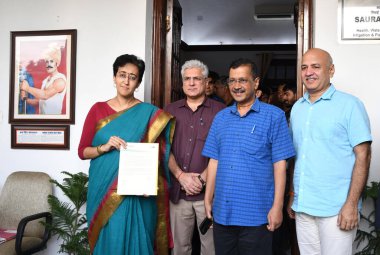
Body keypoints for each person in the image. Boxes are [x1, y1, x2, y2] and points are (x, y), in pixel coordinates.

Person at [78, 54, 175, 255]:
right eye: (122, 75)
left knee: (137, 241)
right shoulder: (97, 110)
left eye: (133, 77)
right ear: (114, 77)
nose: (126, 81)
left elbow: (160, 153)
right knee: (109, 240)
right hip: (103, 189)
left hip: (138, 192)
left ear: (138, 83)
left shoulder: (148, 113)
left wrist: (150, 180)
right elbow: (82, 151)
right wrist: (103, 147)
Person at [203, 58, 295, 255]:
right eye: (232, 81)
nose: (237, 86)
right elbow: (214, 160)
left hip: (258, 214)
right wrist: (208, 197)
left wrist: (277, 207)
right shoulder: (221, 117)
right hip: (223, 213)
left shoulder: (274, 116)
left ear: (255, 82)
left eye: (243, 80)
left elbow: (280, 165)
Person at [287, 48, 372, 255]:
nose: (309, 72)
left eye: (316, 66)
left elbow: (364, 155)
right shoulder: (297, 108)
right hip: (304, 206)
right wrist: (292, 195)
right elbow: (296, 156)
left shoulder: (350, 105)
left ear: (331, 70)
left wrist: (351, 205)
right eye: (304, 67)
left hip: (337, 208)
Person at [164, 59, 225, 255]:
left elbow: (225, 151)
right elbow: (163, 148)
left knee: (211, 248)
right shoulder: (169, 111)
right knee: (180, 249)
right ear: (182, 83)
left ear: (206, 82)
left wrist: (200, 179)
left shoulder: (221, 112)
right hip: (178, 194)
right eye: (187, 79)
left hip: (210, 194)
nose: (191, 83)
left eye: (196, 79)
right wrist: (181, 176)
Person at [20, 43, 66, 114]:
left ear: (57, 63)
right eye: (47, 62)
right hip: (43, 121)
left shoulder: (60, 80)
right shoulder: (46, 80)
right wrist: (25, 98)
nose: (48, 64)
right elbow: (38, 101)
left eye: (51, 61)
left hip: (55, 121)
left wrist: (27, 88)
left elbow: (45, 95)